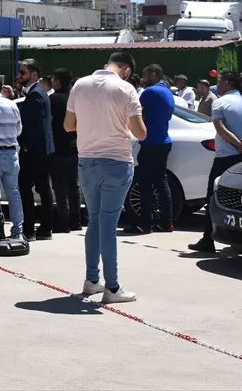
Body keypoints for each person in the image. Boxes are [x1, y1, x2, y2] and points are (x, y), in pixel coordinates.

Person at [65, 51, 147, 304]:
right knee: (109, 225)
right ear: (127, 71)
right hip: (116, 161)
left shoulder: (80, 84)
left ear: (106, 65)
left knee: (95, 222)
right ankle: (112, 287)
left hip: (86, 161)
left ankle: (92, 280)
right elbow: (140, 133)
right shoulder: (125, 88)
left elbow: (68, 125)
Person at [188, 72, 242, 254]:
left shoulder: (220, 103)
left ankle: (208, 239)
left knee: (213, 197)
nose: (217, 85)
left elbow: (220, 127)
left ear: (227, 84)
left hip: (225, 158)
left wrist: (240, 145)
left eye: (219, 81)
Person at [126, 64, 174, 235]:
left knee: (144, 183)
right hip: (163, 141)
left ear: (153, 74)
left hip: (150, 142)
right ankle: (166, 223)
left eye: (145, 76)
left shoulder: (150, 92)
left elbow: (135, 113)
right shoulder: (168, 92)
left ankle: (144, 224)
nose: (143, 79)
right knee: (161, 182)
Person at [16, 59, 54, 241]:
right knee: (43, 189)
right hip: (41, 149)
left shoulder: (36, 94)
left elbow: (36, 125)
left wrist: (26, 145)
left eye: (23, 72)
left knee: (27, 188)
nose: (19, 76)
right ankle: (45, 228)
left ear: (34, 74)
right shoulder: (37, 92)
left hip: (35, 151)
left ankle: (30, 229)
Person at [0, 73, 24, 240]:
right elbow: (18, 130)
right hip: (11, 152)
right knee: (14, 193)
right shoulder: (12, 105)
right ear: (1, 87)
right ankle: (17, 232)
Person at [49, 68, 80, 233]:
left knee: (60, 188)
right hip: (75, 147)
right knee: (73, 185)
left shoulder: (53, 99)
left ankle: (63, 221)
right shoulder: (76, 99)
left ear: (58, 81)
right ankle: (76, 219)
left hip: (58, 149)